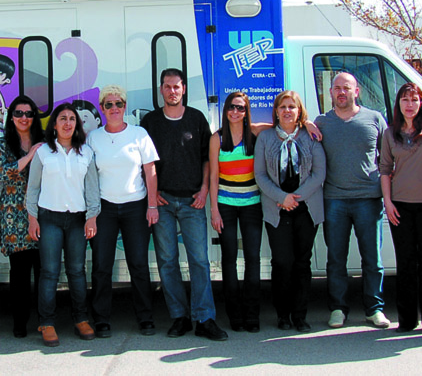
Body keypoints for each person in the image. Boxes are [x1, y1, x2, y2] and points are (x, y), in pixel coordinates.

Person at [140, 68, 228, 342]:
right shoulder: (150, 122)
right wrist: (151, 195)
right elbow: (145, 163)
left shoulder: (196, 118)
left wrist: (203, 190)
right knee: (167, 262)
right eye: (167, 87)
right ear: (161, 90)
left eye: (177, 87)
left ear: (184, 89)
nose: (172, 91)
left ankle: (205, 318)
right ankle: (179, 317)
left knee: (199, 261)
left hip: (193, 201)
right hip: (163, 201)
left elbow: (207, 159)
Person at [315, 72, 391, 329]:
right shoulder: (322, 122)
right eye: (336, 88)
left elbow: (388, 157)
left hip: (368, 200)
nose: (341, 92)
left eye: (346, 88)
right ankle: (338, 308)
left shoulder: (374, 119)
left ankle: (374, 309)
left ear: (356, 91)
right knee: (336, 259)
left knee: (373, 259)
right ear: (331, 92)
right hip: (334, 200)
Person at [87, 85, 160, 338]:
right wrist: (90, 212)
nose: (114, 108)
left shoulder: (139, 134)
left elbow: (150, 171)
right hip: (104, 208)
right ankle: (101, 318)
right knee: (101, 266)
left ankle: (145, 317)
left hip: (136, 206)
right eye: (109, 104)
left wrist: (152, 205)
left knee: (139, 264)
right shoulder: (93, 137)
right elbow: (88, 175)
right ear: (102, 108)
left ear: (125, 107)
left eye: (119, 103)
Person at [26, 103, 100, 347]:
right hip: (49, 219)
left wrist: (92, 216)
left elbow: (92, 189)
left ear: (77, 125)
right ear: (54, 125)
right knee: (49, 272)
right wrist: (32, 217)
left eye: (72, 119)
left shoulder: (86, 153)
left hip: (78, 220)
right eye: (62, 119)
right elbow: (33, 188)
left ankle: (81, 319)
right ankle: (46, 322)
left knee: (77, 271)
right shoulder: (43, 153)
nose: (68, 123)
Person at [254, 90, 326, 333]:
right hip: (277, 209)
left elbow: (319, 174)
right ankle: (282, 314)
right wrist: (282, 197)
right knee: (282, 262)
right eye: (283, 107)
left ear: (299, 111)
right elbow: (260, 175)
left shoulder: (311, 136)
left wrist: (296, 198)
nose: (287, 111)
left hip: (306, 209)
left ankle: (300, 316)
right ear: (276, 111)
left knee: (301, 263)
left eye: (292, 107)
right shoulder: (265, 138)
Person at [380, 82, 422, 335]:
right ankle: (406, 320)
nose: (410, 104)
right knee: (405, 265)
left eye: (414, 100)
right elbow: (384, 169)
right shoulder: (390, 133)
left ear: (421, 104)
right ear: (398, 104)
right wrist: (388, 202)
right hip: (401, 207)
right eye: (405, 100)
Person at [208, 91, 264, 332]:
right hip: (226, 206)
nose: (235, 112)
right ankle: (234, 315)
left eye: (240, 108)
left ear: (246, 111)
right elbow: (213, 175)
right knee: (229, 261)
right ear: (225, 110)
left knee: (253, 260)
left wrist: (309, 123)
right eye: (231, 107)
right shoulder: (217, 138)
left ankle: (252, 315)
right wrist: (214, 210)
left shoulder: (255, 132)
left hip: (252, 205)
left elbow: (287, 122)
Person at [0, 95, 43, 338]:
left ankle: (45, 320)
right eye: (19, 113)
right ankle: (19, 322)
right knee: (19, 273)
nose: (24, 118)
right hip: (13, 216)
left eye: (29, 113)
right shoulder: (2, 143)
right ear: (11, 117)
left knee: (45, 271)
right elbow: (1, 173)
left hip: (43, 213)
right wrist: (29, 156)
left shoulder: (44, 142)